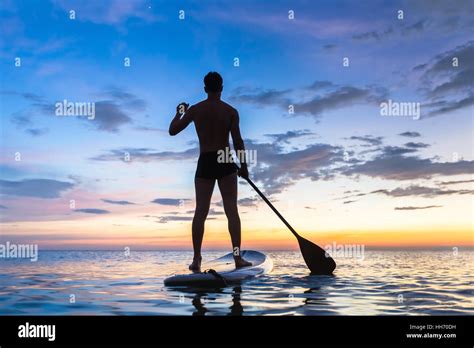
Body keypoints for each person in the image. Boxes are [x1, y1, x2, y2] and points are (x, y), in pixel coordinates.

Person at [169, 72, 252, 272]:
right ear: (221, 88)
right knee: (231, 210)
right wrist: (244, 166)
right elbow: (238, 141)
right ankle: (238, 258)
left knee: (201, 212)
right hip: (224, 159)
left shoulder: (196, 110)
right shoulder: (230, 111)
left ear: (205, 89)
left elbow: (173, 130)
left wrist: (179, 112)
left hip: (205, 160)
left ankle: (197, 259)